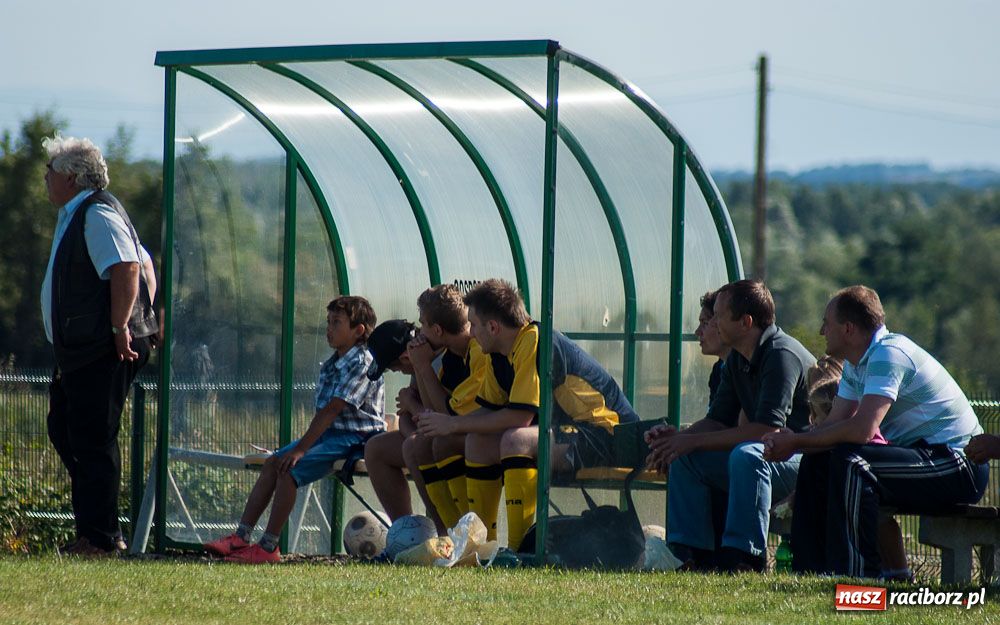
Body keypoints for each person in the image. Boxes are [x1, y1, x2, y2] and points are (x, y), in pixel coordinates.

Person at [763, 285, 988, 578]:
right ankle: (809, 570)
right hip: (928, 457)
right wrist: (792, 443)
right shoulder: (856, 364)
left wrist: (795, 441)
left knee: (853, 463)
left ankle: (856, 574)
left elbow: (862, 430)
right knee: (818, 462)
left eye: (826, 323)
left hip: (960, 464)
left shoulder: (888, 354)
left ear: (848, 328)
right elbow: (833, 425)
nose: (821, 332)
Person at [416, 278, 640, 550]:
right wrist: (453, 424)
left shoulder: (533, 340)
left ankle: (519, 552)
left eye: (473, 325)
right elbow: (490, 409)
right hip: (572, 433)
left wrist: (453, 425)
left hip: (610, 434)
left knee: (516, 440)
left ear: (493, 327)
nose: (471, 333)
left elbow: (519, 418)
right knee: (476, 441)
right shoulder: (498, 352)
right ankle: (481, 549)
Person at [646, 279, 815, 572]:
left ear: (745, 322)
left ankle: (745, 558)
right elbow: (717, 420)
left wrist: (691, 440)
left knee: (747, 455)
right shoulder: (737, 358)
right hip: (772, 456)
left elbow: (767, 430)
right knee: (684, 459)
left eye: (718, 316)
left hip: (808, 462)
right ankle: (690, 556)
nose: (712, 323)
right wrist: (677, 440)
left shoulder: (781, 354)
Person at [41, 136, 158, 556]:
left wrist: (122, 326)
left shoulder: (96, 213)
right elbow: (145, 263)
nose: (46, 177)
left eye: (51, 169)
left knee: (92, 439)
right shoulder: (82, 212)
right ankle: (97, 530)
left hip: (102, 346)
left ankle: (102, 539)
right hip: (84, 346)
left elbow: (128, 267)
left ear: (72, 177)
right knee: (66, 429)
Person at [204, 296, 385, 563]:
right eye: (328, 322)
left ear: (358, 331)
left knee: (289, 470)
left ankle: (268, 547)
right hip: (332, 435)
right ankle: (241, 537)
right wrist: (299, 447)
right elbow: (325, 414)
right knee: (273, 463)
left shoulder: (363, 362)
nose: (329, 328)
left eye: (337, 323)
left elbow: (333, 409)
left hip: (356, 438)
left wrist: (301, 449)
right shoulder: (333, 363)